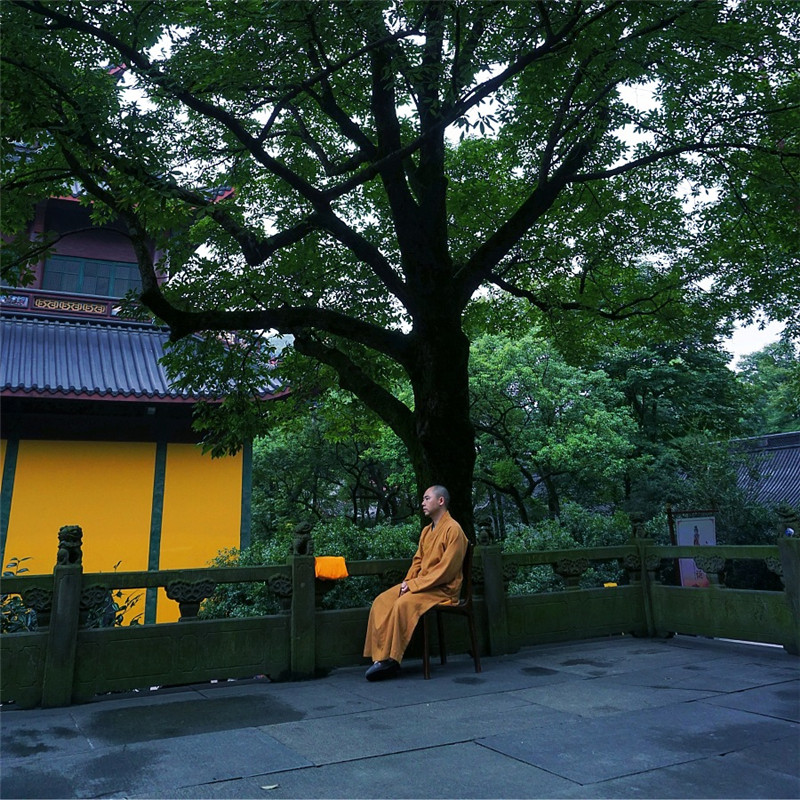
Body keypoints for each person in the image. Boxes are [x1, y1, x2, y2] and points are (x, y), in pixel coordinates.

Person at [363, 485, 468, 681]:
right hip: (422, 584)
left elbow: (447, 570)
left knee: (403, 604)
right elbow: (417, 561)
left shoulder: (454, 530)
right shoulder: (426, 531)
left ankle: (392, 660)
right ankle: (380, 657)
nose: (422, 503)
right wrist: (408, 582)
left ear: (440, 501)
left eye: (427, 498)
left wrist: (414, 586)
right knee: (382, 600)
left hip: (442, 589)